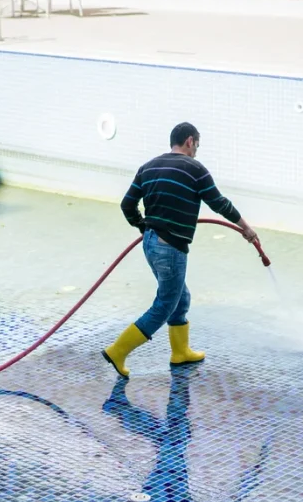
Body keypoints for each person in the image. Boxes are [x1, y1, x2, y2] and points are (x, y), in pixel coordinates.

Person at [102, 122, 260, 377]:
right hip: (171, 246)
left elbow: (127, 204)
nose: (197, 149)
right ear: (190, 141)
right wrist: (246, 228)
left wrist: (142, 225)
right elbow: (219, 203)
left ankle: (180, 352)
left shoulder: (149, 166)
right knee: (164, 304)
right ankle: (118, 351)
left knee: (179, 297)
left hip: (150, 243)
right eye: (197, 144)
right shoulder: (195, 169)